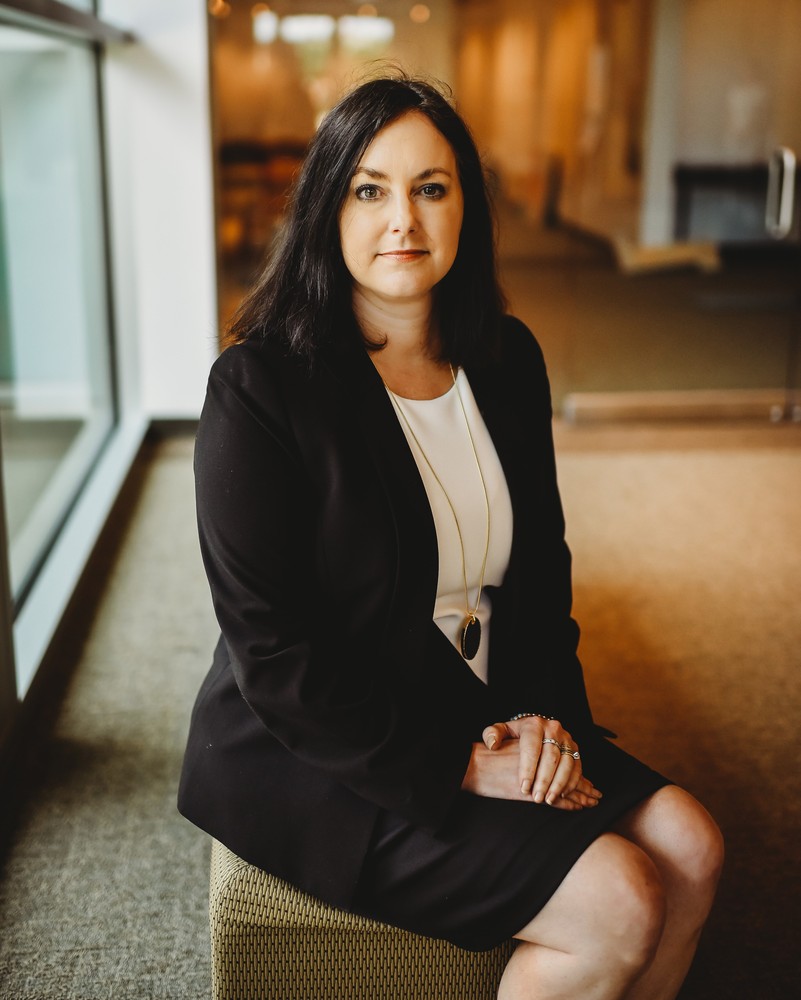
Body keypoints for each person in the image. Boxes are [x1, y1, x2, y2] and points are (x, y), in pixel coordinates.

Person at [178, 74, 723, 999]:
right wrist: (459, 764)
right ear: (326, 207)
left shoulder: (506, 361)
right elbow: (274, 657)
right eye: (369, 189)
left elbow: (540, 585)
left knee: (694, 848)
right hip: (330, 743)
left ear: (467, 204)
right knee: (620, 900)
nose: (403, 220)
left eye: (431, 187)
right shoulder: (259, 388)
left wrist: (548, 728)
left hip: (485, 701)